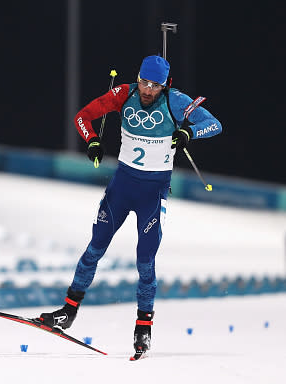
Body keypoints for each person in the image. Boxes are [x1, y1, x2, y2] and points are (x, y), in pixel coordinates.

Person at [38, 55, 222, 358]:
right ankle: (67, 313)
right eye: (144, 82)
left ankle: (143, 328)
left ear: (166, 85)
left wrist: (189, 132)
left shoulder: (176, 102)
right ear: (137, 78)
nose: (148, 90)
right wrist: (93, 141)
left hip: (153, 193)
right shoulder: (124, 94)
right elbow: (83, 116)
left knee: (145, 260)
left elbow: (214, 124)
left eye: (155, 85)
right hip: (122, 187)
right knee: (95, 248)